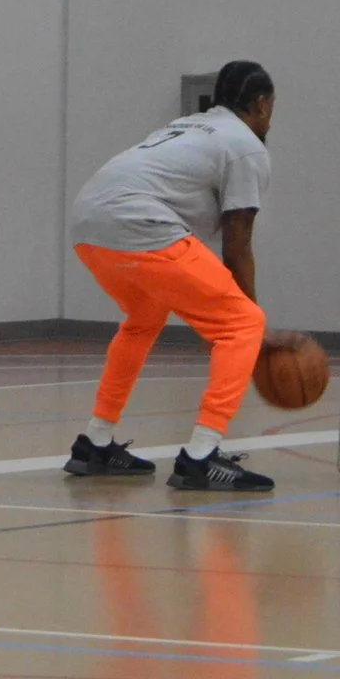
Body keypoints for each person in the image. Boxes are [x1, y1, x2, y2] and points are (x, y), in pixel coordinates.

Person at [64, 61, 280, 493]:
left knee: (144, 317)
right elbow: (237, 248)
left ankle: (96, 443)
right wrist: (247, 331)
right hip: (140, 223)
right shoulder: (245, 146)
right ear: (261, 103)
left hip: (87, 224)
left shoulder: (184, 126)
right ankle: (200, 457)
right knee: (243, 323)